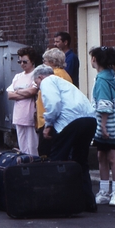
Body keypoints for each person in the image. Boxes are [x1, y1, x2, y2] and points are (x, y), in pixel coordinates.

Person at [33, 64, 98, 212]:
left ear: (40, 77)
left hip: (70, 121)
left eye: (36, 83)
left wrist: (48, 124)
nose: (38, 87)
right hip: (89, 120)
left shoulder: (47, 81)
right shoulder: (65, 84)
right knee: (81, 161)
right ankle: (89, 202)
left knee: (57, 159)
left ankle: (54, 201)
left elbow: (54, 104)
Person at [89, 46, 115, 206]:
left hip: (106, 126)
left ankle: (113, 192)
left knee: (110, 157)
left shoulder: (102, 80)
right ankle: (108, 191)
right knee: (105, 156)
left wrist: (103, 126)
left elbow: (104, 105)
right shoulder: (111, 76)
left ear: (95, 60)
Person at [36, 48, 73, 154]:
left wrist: (47, 123)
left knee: (45, 152)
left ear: (52, 62)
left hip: (50, 120)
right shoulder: (65, 74)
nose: (43, 64)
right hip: (59, 119)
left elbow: (53, 101)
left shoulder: (52, 76)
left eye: (45, 61)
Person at [6, 47, 40, 155]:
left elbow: (33, 91)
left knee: (32, 145)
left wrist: (17, 92)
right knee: (22, 145)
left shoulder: (36, 74)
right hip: (18, 115)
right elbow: (9, 95)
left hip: (30, 113)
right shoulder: (17, 76)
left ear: (32, 61)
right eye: (19, 61)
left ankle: (34, 165)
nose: (22, 64)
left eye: (25, 61)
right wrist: (24, 92)